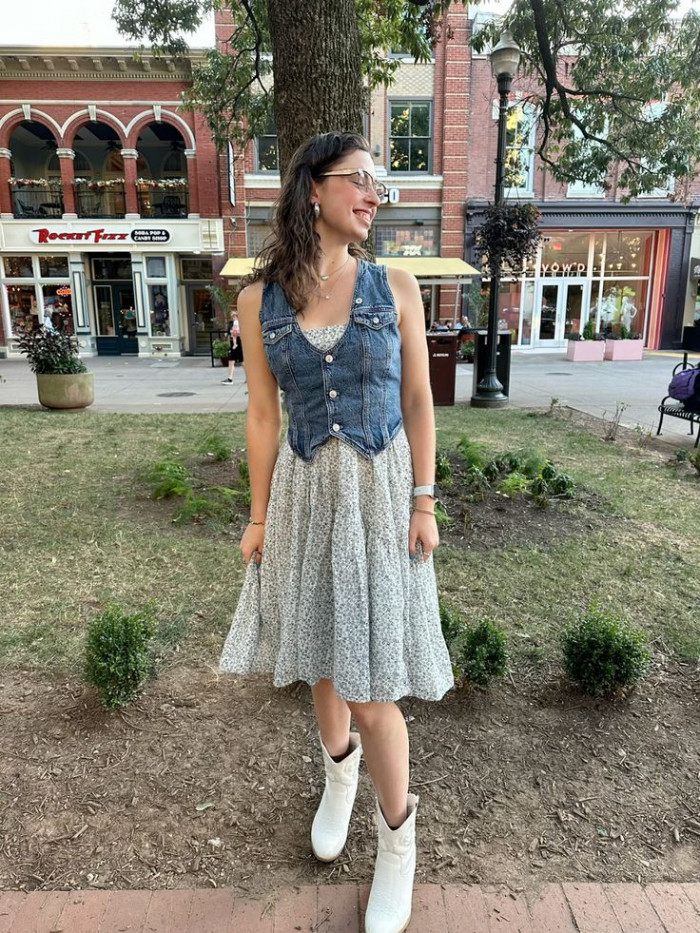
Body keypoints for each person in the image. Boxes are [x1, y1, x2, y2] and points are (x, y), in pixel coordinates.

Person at [219, 132, 453, 933]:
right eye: (358, 179)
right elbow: (260, 413)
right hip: (304, 494)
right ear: (311, 190)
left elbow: (420, 402)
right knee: (320, 652)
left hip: (381, 497)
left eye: (378, 181)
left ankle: (397, 842)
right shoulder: (259, 300)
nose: (373, 192)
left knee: (373, 684)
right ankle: (339, 775)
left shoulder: (396, 285)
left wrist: (424, 500)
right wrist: (256, 518)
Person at [221, 312, 243, 384]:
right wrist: (229, 332)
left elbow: (239, 332)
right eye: (232, 316)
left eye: (234, 316)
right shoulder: (231, 323)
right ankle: (230, 378)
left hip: (237, 342)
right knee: (237, 361)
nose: (233, 317)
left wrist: (235, 333)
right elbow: (229, 331)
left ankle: (230, 379)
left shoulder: (240, 323)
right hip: (233, 342)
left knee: (237, 360)